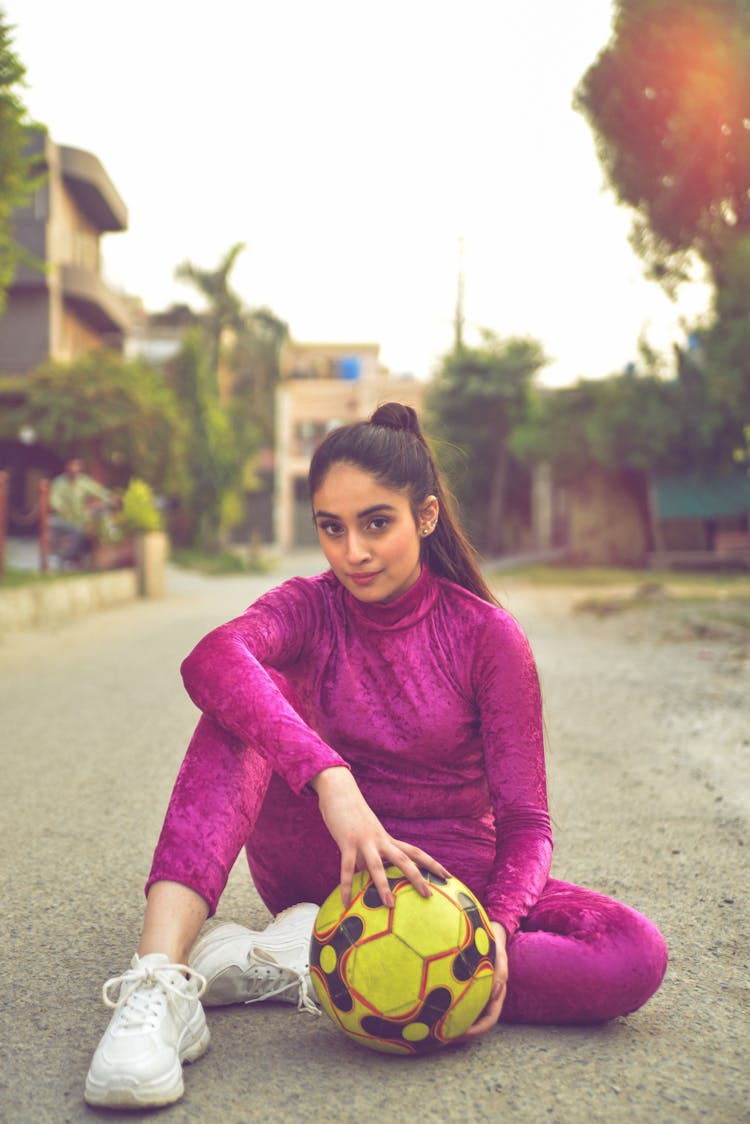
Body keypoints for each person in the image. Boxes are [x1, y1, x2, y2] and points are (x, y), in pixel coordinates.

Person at [84, 403, 667, 1109]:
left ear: (424, 517)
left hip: (444, 883)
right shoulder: (309, 607)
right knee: (242, 695)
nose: (352, 552)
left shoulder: (487, 637)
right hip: (321, 859)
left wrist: (492, 937)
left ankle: (309, 958)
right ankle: (159, 981)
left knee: (632, 954)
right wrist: (330, 778)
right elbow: (212, 657)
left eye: (376, 523)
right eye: (332, 527)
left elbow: (527, 825)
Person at [49, 457, 114, 568]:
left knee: (95, 523)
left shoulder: (83, 481)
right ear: (67, 467)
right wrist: (62, 509)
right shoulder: (59, 482)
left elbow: (98, 491)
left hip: (81, 517)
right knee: (76, 530)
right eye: (72, 465)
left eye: (77, 465)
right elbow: (54, 501)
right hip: (63, 519)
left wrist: (111, 498)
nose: (74, 468)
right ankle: (69, 557)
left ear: (80, 467)